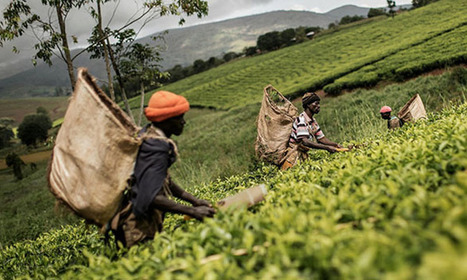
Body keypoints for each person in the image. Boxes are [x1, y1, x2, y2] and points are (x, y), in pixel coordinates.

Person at [110, 90, 215, 248]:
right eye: (179, 117)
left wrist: (195, 201)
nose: (183, 122)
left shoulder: (148, 135)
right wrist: (193, 212)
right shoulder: (156, 147)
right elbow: (151, 197)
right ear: (166, 120)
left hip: (135, 220)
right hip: (137, 227)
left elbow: (164, 181)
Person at [281, 92, 346, 170]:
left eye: (319, 104)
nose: (318, 106)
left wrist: (336, 145)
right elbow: (305, 141)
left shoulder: (313, 121)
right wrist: (327, 148)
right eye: (316, 103)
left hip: (302, 155)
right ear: (308, 105)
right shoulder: (301, 120)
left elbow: (322, 139)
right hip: (293, 157)